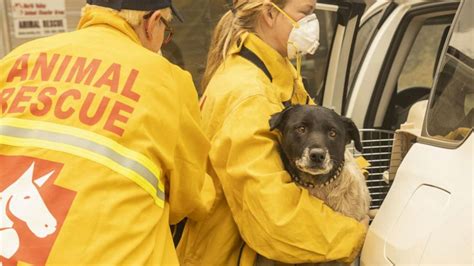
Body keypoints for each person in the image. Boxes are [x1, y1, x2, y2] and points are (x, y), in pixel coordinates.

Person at [0, 0, 214, 264]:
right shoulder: (167, 79)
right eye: (166, 30)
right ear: (152, 22)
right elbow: (190, 197)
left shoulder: (18, 59)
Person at [177, 0, 370, 265]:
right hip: (232, 256)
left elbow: (323, 133)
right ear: (270, 13)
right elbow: (274, 216)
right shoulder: (250, 93)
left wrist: (355, 184)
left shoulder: (275, 75)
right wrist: (356, 236)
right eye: (306, 13)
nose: (311, 24)